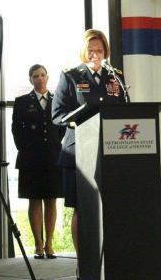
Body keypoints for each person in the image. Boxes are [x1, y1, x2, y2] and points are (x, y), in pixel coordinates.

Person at [51, 29, 128, 278]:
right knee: (81, 210)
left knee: (111, 208)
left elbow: (125, 110)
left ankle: (111, 260)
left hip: (110, 151)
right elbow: (57, 114)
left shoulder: (114, 77)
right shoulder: (71, 76)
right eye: (91, 50)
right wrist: (82, 125)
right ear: (84, 51)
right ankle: (83, 262)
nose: (96, 54)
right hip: (78, 154)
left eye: (100, 49)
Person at [12, 64, 65, 259]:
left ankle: (49, 244)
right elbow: (16, 130)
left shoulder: (57, 100)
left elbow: (62, 128)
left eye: (42, 75)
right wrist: (25, 149)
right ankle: (37, 245)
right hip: (30, 159)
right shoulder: (22, 102)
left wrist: (57, 145)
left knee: (51, 200)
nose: (40, 78)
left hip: (53, 158)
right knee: (34, 200)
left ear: (48, 77)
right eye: (35, 76)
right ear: (30, 79)